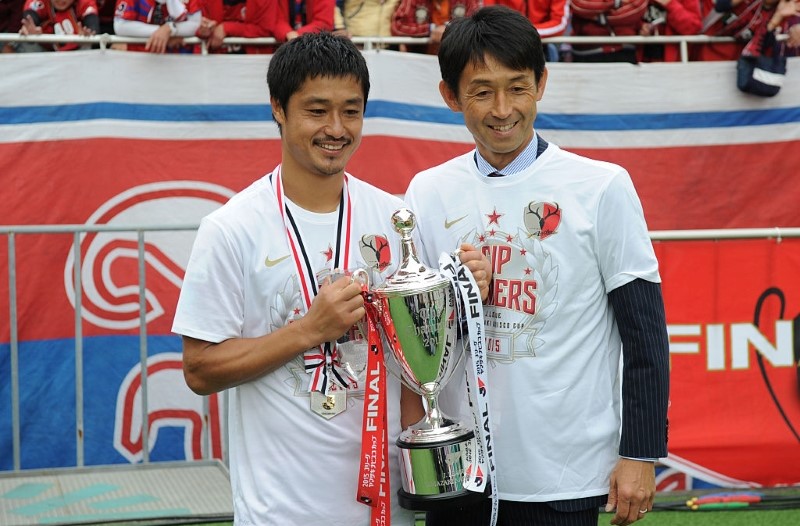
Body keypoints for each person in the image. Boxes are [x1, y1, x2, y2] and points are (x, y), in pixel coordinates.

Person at [404, 6, 670, 526]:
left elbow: (645, 336)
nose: (503, 109)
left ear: (541, 84)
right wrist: (457, 295)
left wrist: (640, 454)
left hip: (564, 475)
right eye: (482, 92)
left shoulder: (602, 186)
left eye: (517, 88)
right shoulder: (427, 192)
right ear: (450, 96)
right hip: (460, 471)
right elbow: (417, 341)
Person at [172, 32, 426, 526]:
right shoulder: (231, 228)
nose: (336, 129)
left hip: (383, 511)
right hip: (279, 513)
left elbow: (418, 361)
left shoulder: (396, 220)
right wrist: (309, 330)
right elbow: (199, 369)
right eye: (317, 110)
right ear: (278, 108)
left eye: (351, 111)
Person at [390, 0, 481, 53]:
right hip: (420, 61)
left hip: (458, 59)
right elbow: (397, 26)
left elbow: (479, 25)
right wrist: (430, 29)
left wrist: (449, 30)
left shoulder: (467, 1)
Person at [113, 0, 201, 53]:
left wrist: (170, 29)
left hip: (180, 60)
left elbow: (197, 25)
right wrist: (163, 32)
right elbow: (120, 26)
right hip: (141, 59)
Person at [13, 0, 99, 52]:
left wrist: (89, 32)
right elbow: (31, 15)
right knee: (27, 42)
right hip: (46, 53)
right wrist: (30, 29)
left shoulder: (84, 2)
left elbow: (92, 21)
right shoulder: (39, 2)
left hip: (78, 52)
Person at [196, 0, 275, 53]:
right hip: (214, 62)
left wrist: (227, 28)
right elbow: (195, 25)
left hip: (254, 63)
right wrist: (203, 30)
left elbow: (268, 29)